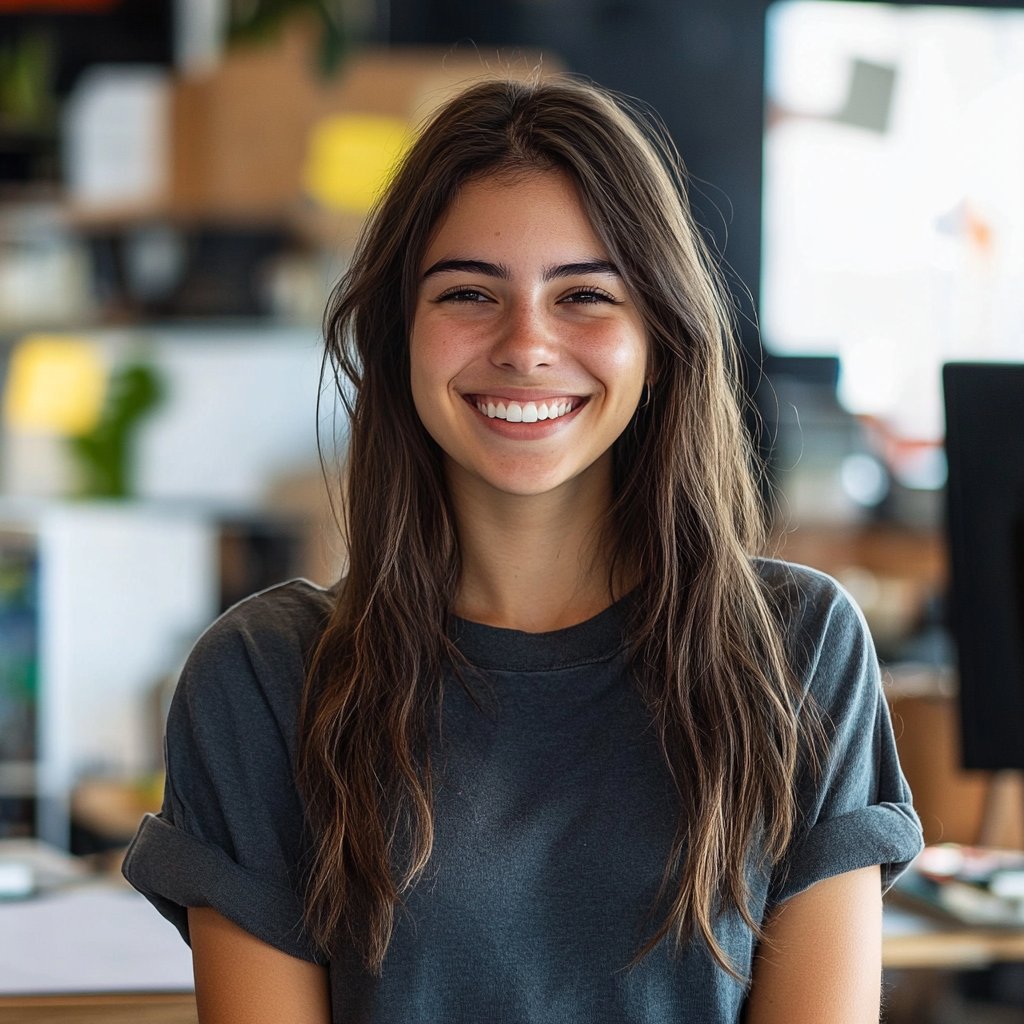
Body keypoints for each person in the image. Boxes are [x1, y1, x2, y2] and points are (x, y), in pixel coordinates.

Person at [123, 75, 924, 1023]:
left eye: (585, 294)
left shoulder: (796, 648)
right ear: (398, 336)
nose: (527, 344)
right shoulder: (263, 676)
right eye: (469, 292)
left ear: (659, 336)